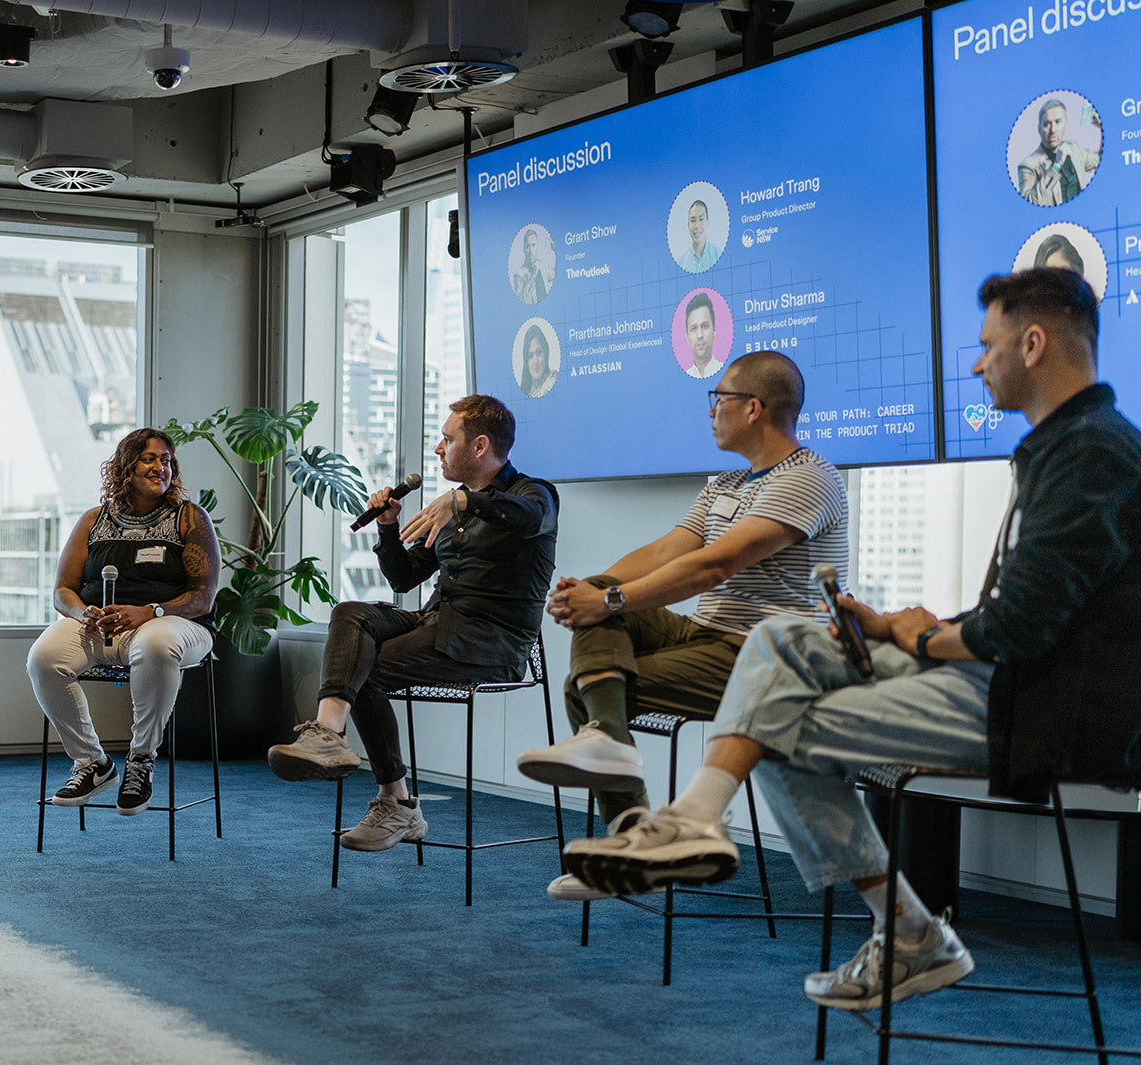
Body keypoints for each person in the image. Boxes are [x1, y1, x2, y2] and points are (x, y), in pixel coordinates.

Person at [565, 267, 1141, 1012]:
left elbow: (1024, 628)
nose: (976, 362)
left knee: (777, 725)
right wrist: (907, 625)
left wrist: (927, 635)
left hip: (1042, 710)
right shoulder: (1066, 445)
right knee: (783, 641)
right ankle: (697, 816)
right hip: (1011, 673)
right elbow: (1032, 610)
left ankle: (904, 930)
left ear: (1032, 344)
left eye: (986, 345)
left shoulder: (1091, 452)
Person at [515, 350, 847, 901]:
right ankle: (631, 825)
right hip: (705, 635)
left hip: (762, 656)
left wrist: (610, 601)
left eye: (719, 398)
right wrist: (590, 591)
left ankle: (630, 837)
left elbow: (712, 565)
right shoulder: (726, 482)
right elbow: (670, 550)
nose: (711, 409)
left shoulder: (809, 478)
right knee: (602, 606)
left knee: (591, 685)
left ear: (754, 408)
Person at [267, 395, 559, 851]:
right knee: (349, 613)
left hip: (491, 645)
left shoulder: (533, 494)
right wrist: (387, 526)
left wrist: (463, 501)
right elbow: (404, 577)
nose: (439, 449)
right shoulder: (448, 512)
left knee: (367, 669)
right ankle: (327, 735)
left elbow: (530, 518)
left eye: (447, 439)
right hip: (437, 625)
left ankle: (396, 803)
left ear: (480, 446)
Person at [27, 428, 221, 816]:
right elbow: (63, 589)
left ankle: (141, 760)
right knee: (44, 657)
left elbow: (203, 597)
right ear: (125, 467)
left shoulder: (188, 518)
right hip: (104, 626)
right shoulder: (93, 521)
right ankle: (93, 763)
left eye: (166, 460)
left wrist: (150, 612)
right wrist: (84, 613)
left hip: (177, 625)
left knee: (155, 643)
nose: (160, 467)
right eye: (149, 458)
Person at [1017, 98, 1100, 207]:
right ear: (1039, 129)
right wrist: (1056, 166)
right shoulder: (1028, 165)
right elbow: (1029, 203)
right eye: (1047, 124)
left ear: (1065, 123)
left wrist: (1101, 128)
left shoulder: (1074, 148)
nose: (1053, 130)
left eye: (1058, 122)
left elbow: (1100, 160)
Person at [683, 292, 723, 379]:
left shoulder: (725, 373)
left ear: (714, 331)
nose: (700, 335)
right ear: (687, 337)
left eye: (704, 326)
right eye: (694, 328)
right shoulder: (684, 375)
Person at [676, 199, 723, 273]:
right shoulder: (680, 262)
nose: (697, 226)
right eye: (693, 220)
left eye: (701, 219)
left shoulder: (719, 255)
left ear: (707, 222)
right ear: (688, 225)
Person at [513, 228, 551, 305]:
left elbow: (557, 272)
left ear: (537, 247)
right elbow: (521, 299)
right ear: (524, 249)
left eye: (533, 245)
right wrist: (532, 277)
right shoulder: (519, 274)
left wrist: (555, 250)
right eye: (528, 246)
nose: (531, 251)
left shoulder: (542, 265)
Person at [519, 323, 558, 398]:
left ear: (546, 353)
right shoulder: (526, 391)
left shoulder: (554, 380)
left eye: (539, 353)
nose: (535, 361)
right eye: (531, 356)